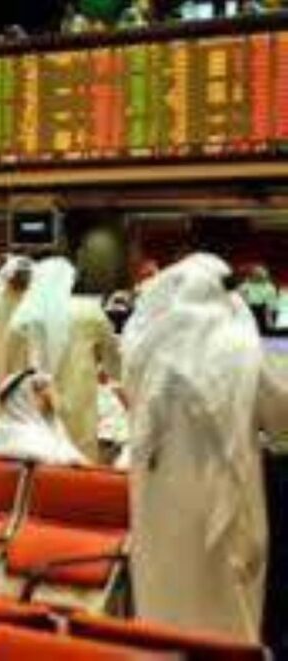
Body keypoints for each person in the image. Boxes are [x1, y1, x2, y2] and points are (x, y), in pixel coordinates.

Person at [122, 253, 288, 642]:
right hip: (222, 507)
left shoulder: (144, 352)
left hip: (158, 507)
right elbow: (281, 418)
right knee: (222, 609)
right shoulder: (241, 350)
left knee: (164, 598)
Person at [8, 256, 119, 461]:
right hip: (79, 392)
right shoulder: (90, 310)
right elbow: (112, 355)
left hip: (40, 392)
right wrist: (114, 374)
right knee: (81, 448)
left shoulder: (32, 313)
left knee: (45, 452)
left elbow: (19, 359)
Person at [0, 370, 88, 465]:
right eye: (37, 391)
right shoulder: (17, 434)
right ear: (22, 398)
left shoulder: (46, 428)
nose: (45, 397)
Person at [0, 255, 33, 427]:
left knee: (21, 398)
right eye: (18, 276)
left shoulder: (33, 297)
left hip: (23, 357)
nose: (21, 281)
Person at [240, 265, 278, 332]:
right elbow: (241, 297)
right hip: (249, 309)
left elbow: (270, 305)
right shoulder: (245, 285)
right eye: (256, 274)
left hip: (263, 310)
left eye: (261, 274)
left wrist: (269, 321)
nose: (258, 276)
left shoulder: (270, 287)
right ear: (253, 275)